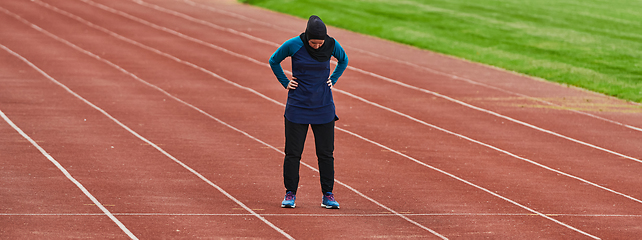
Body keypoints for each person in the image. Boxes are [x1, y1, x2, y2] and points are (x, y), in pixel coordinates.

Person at [269, 15, 348, 209]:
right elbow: (274, 60)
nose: (318, 46)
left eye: (320, 43)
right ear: (307, 38)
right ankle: (290, 193)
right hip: (298, 107)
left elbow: (343, 60)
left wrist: (334, 78)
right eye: (314, 43)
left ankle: (328, 195)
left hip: (324, 107)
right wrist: (285, 82)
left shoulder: (331, 45)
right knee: (293, 153)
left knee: (326, 153)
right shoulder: (294, 44)